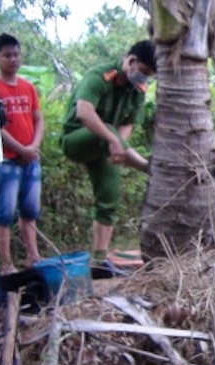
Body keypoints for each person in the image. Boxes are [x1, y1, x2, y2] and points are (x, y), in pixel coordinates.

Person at [60, 40, 156, 275]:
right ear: (131, 61)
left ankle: (99, 261)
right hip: (75, 140)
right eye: (143, 72)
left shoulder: (136, 91)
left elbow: (127, 125)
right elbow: (84, 112)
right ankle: (146, 166)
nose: (144, 80)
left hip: (105, 146)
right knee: (110, 131)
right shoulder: (99, 76)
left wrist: (118, 147)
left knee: (109, 197)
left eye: (149, 76)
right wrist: (114, 141)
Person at [0, 33, 45, 274]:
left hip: (31, 159)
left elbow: (38, 119)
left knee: (30, 211)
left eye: (16, 54)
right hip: (6, 160)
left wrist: (33, 146)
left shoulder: (28, 87)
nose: (13, 59)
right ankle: (6, 265)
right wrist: (22, 149)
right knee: (4, 213)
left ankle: (33, 256)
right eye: (7, 55)